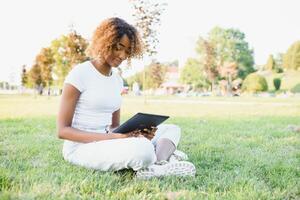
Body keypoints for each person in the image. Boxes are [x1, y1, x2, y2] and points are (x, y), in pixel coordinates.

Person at [57, 17, 196, 179]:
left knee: (171, 129)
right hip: (81, 147)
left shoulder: (116, 80)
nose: (123, 55)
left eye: (127, 51)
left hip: (109, 141)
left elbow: (114, 126)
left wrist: (135, 133)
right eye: (119, 47)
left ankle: (158, 165)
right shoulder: (80, 74)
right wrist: (115, 138)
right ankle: (163, 157)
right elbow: (63, 131)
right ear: (105, 42)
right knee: (142, 149)